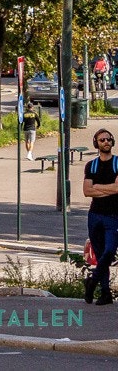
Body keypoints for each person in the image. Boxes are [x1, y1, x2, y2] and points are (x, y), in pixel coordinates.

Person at [83, 128, 118, 305]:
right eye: (102, 140)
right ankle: (105, 293)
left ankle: (92, 281)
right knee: (99, 252)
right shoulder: (92, 165)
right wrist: (109, 189)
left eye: (108, 139)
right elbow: (86, 191)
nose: (106, 142)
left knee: (110, 251)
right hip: (95, 215)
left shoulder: (117, 164)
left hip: (113, 216)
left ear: (112, 142)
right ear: (96, 143)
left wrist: (98, 188)